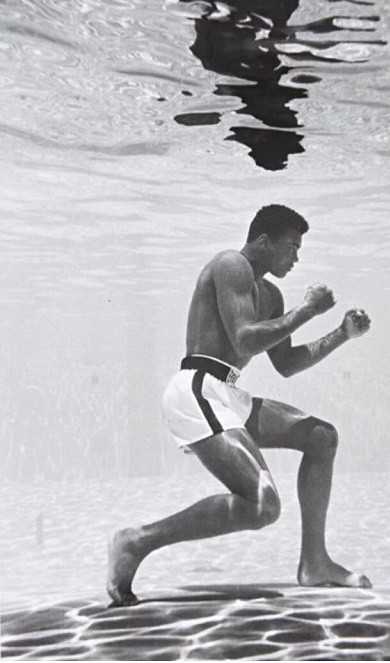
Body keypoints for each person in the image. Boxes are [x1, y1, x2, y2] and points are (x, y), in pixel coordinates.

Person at [107, 204, 372, 606]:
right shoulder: (231, 265)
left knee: (321, 438)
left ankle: (315, 563)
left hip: (228, 393)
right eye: (291, 247)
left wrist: (341, 333)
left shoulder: (270, 294)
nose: (296, 257)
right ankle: (137, 541)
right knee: (263, 505)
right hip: (196, 388)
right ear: (264, 241)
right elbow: (246, 339)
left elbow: (285, 364)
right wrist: (308, 310)